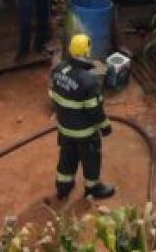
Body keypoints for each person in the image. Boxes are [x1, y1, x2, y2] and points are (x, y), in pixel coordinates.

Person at [49, 33, 116, 201]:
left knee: (67, 159)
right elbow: (95, 111)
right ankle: (92, 188)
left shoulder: (58, 70)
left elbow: (54, 97)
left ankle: (63, 188)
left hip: (64, 129)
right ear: (87, 53)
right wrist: (105, 126)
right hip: (85, 133)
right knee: (91, 160)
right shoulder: (88, 81)